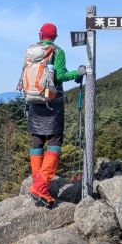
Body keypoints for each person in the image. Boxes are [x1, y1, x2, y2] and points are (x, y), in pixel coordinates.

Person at [21, 22, 85, 207]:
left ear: (40, 35)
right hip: (52, 103)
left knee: (37, 142)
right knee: (55, 143)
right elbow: (60, 76)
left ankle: (37, 182)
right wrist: (79, 72)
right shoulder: (57, 51)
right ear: (55, 36)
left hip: (33, 101)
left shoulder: (31, 52)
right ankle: (40, 188)